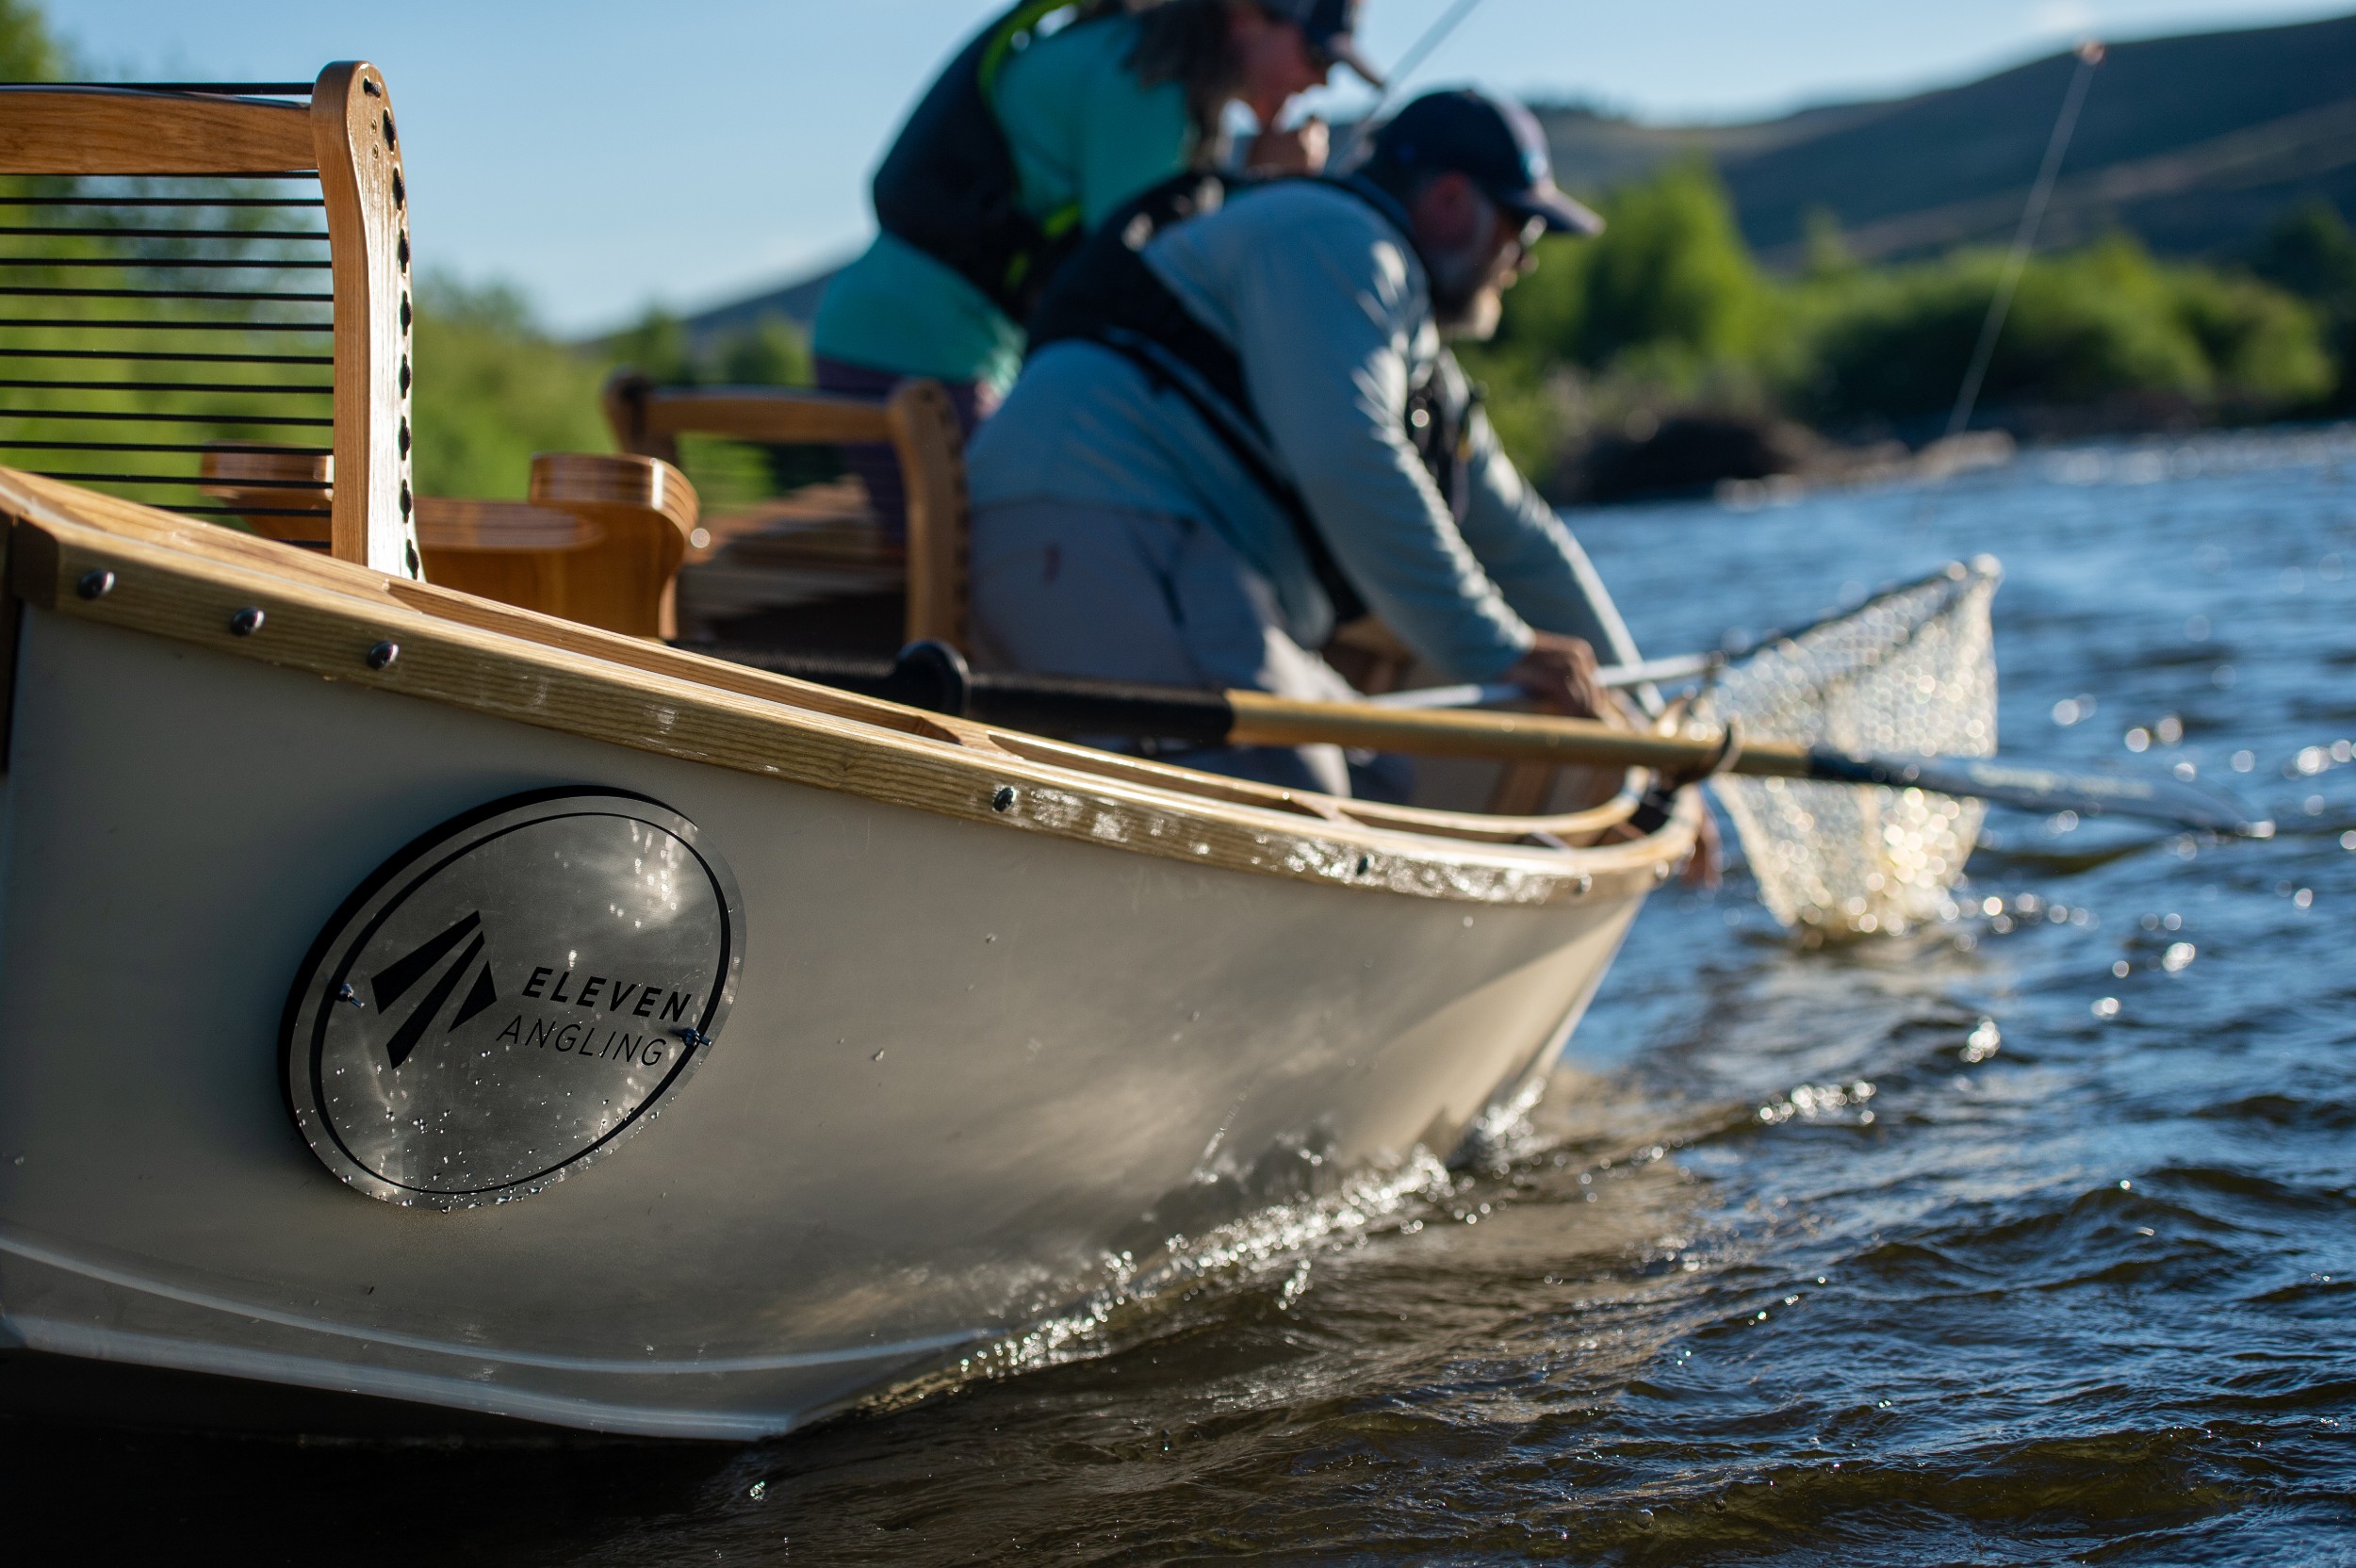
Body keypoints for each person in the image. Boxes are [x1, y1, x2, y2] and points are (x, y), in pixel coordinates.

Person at [962, 89, 1644, 798]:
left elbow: (1523, 541)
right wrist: (1499, 651)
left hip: (1159, 546)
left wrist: (1654, 745)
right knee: (1293, 794)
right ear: (1447, 200)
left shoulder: (1403, 341)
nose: (1523, 260)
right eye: (1522, 226)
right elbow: (1347, 459)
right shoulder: (1337, 243)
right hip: (1082, 518)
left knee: (1382, 783)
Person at [811, 0, 1383, 537]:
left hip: (908, 348)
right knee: (1002, 564)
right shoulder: (1144, 82)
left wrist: (1247, 179)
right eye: (1317, 54)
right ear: (1244, 17)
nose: (1321, 81)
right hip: (914, 361)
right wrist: (1258, 188)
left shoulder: (1130, 59)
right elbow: (1143, 272)